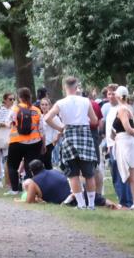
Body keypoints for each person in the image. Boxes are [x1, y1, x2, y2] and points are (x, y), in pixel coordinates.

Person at [43, 77, 101, 209]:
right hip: (85, 136)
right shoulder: (86, 101)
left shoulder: (60, 102)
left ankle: (81, 204)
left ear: (65, 87)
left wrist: (61, 128)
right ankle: (91, 205)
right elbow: (94, 121)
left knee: (73, 174)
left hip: (69, 135)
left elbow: (47, 118)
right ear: (77, 87)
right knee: (89, 174)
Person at [6, 87, 43, 196]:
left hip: (16, 142)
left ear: (19, 97)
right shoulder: (36, 110)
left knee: (12, 165)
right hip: (34, 143)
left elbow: (8, 123)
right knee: (30, 167)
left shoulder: (15, 109)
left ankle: (14, 190)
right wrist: (43, 144)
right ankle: (31, 190)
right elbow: (42, 129)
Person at [111, 86, 134, 210]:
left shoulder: (123, 109)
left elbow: (128, 128)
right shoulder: (130, 108)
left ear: (118, 96)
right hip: (128, 141)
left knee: (132, 176)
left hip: (125, 142)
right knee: (131, 176)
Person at [103, 85, 133, 207]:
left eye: (113, 93)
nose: (111, 96)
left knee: (121, 174)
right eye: (108, 94)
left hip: (119, 145)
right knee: (116, 174)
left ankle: (126, 201)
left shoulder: (122, 109)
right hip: (112, 145)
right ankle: (124, 200)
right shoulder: (110, 109)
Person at [39, 97, 58, 170]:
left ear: (49, 106)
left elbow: (60, 129)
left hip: (49, 144)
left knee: (47, 165)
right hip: (40, 143)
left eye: (46, 104)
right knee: (40, 165)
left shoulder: (53, 117)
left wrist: (54, 141)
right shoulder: (40, 116)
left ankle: (51, 180)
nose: (44, 106)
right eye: (42, 104)